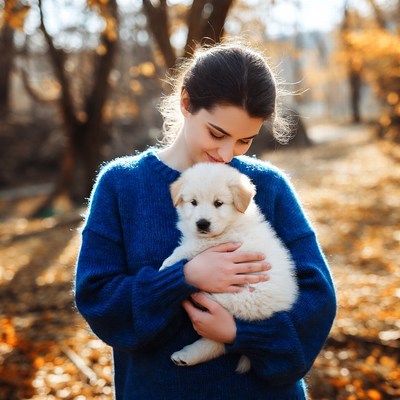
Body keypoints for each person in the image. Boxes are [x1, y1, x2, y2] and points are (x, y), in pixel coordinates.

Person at [75, 42, 336, 400]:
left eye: (245, 140)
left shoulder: (266, 186)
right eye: (217, 133)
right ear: (186, 103)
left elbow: (317, 299)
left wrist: (240, 334)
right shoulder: (121, 185)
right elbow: (98, 300)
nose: (227, 154)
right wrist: (182, 277)